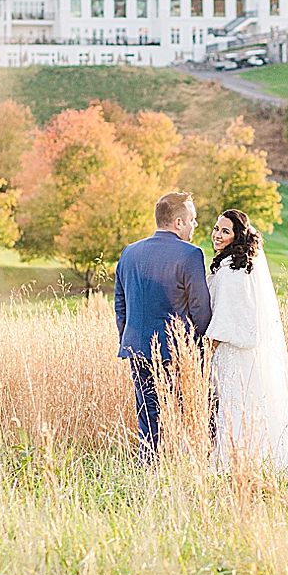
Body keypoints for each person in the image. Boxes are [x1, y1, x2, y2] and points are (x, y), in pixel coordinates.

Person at [114, 191, 212, 462]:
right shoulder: (191, 254)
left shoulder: (129, 252)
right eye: (192, 220)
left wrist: (131, 339)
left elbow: (120, 305)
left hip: (137, 348)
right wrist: (198, 346)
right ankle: (193, 465)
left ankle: (149, 467)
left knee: (147, 413)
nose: (195, 225)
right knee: (191, 411)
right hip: (178, 351)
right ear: (178, 223)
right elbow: (200, 309)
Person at [205, 209, 288, 474]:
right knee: (239, 405)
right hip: (235, 352)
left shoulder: (233, 270)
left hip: (234, 352)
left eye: (225, 231)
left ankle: (236, 464)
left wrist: (206, 349)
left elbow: (228, 318)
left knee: (237, 406)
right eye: (216, 228)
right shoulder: (234, 265)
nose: (217, 235)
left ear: (237, 235)